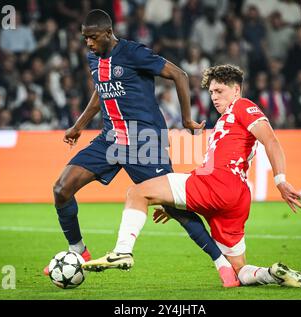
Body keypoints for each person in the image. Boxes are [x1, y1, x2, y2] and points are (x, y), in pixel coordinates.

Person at [43, 10, 239, 288]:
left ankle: (221, 263)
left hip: (145, 141)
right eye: (85, 38)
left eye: (93, 37)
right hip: (110, 140)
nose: (88, 43)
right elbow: (101, 91)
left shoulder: (134, 53)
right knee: (61, 189)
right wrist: (78, 125)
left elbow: (180, 75)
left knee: (174, 207)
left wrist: (185, 119)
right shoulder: (93, 58)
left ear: (108, 33)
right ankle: (78, 250)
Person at [83, 64, 301, 289]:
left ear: (236, 90)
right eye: (211, 91)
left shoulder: (243, 106)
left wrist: (280, 180)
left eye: (220, 91)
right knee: (238, 270)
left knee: (137, 192)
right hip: (235, 199)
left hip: (218, 185)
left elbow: (270, 140)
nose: (214, 96)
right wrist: (170, 200)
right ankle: (271, 274)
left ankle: (123, 251)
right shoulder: (224, 122)